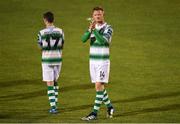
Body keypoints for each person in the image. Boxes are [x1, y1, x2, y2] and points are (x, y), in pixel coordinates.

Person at [81, 7, 114, 121]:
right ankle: (110, 107)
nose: (97, 16)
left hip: (102, 61)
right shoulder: (92, 27)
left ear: (103, 14)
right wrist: (89, 30)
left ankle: (94, 113)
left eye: (99, 14)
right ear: (93, 16)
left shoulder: (108, 28)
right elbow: (83, 39)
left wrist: (94, 30)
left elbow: (103, 41)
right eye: (95, 15)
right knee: (99, 88)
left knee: (98, 86)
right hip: (93, 62)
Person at [37, 11, 64, 114]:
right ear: (53, 19)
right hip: (58, 59)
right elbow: (62, 45)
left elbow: (40, 46)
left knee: (49, 83)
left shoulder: (41, 32)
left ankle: (53, 107)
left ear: (45, 20)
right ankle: (55, 103)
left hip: (47, 59)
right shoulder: (60, 31)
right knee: (55, 81)